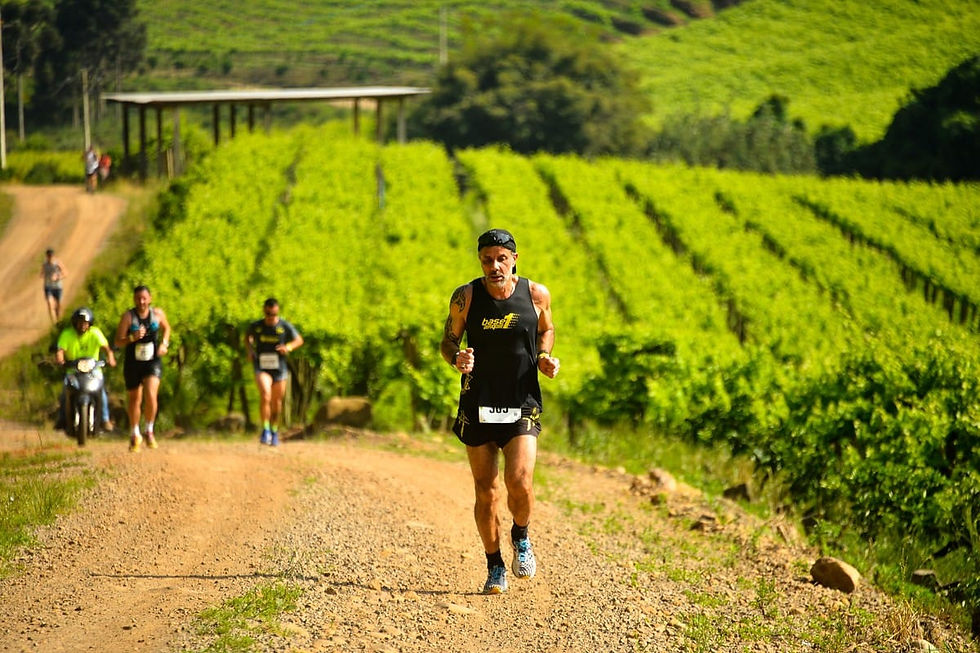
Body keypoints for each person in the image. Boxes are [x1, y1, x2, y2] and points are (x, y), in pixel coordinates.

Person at [440, 228, 560, 595]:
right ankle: (494, 566)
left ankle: (520, 536)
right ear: (480, 261)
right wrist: (456, 358)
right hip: (478, 402)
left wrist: (543, 357)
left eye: (501, 259)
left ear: (514, 259)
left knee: (520, 480)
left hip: (521, 399)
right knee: (486, 491)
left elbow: (547, 328)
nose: (494, 266)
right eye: (487, 260)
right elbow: (448, 340)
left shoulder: (536, 294)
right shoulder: (466, 297)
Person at [114, 285, 171, 452]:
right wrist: (132, 337)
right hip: (133, 362)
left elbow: (167, 328)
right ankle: (134, 433)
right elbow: (117, 341)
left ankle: (150, 430)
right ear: (134, 299)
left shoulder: (157, 314)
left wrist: (164, 344)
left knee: (151, 394)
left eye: (144, 298)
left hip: (152, 361)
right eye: (138, 298)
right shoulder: (128, 317)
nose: (141, 301)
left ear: (150, 299)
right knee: (134, 399)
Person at [245, 298, 303, 446]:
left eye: (273, 313)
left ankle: (274, 430)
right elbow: (247, 338)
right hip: (262, 366)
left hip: (279, 369)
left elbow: (299, 340)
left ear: (277, 311)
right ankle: (265, 430)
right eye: (267, 313)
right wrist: (250, 350)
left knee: (277, 402)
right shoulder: (256, 326)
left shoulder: (284, 326)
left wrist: (288, 347)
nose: (270, 316)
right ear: (264, 311)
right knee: (266, 394)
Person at [55, 307, 116, 432]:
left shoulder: (95, 333)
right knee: (65, 392)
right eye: (80, 322)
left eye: (85, 323)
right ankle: (62, 419)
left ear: (90, 324)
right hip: (73, 371)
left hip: (93, 370)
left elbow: (106, 348)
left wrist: (110, 357)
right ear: (74, 323)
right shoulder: (67, 334)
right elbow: (60, 350)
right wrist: (60, 360)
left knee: (101, 391)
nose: (82, 325)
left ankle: (104, 419)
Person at [40, 248, 67, 323]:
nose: (49, 257)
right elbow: (42, 273)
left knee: (59, 306)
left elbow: (65, 273)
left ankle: (59, 321)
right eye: (48, 256)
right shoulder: (44, 264)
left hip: (58, 287)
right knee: (50, 304)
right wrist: (43, 275)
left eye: (51, 256)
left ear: (53, 256)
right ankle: (54, 323)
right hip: (48, 287)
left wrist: (58, 277)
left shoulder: (57, 264)